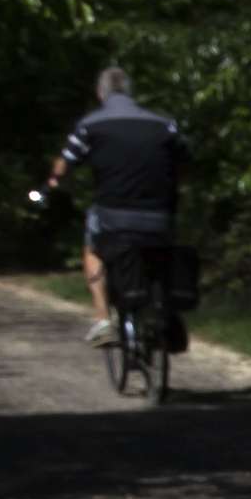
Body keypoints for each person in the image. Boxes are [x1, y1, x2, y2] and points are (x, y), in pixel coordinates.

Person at [42, 65, 189, 344]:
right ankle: (164, 310)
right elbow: (186, 160)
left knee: (92, 247)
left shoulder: (90, 126)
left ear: (101, 93)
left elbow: (63, 166)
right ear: (131, 92)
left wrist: (51, 184)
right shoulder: (164, 125)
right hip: (159, 215)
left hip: (113, 215)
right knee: (163, 248)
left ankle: (102, 320)